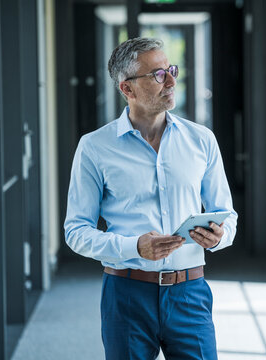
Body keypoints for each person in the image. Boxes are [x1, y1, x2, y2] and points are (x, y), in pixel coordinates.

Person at [64, 37, 237, 360]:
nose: (171, 81)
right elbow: (76, 232)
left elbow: (226, 213)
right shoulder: (94, 147)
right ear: (126, 88)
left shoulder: (202, 140)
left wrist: (219, 236)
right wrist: (134, 247)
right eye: (158, 75)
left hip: (190, 293)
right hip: (127, 293)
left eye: (171, 70)